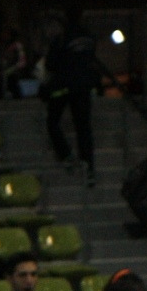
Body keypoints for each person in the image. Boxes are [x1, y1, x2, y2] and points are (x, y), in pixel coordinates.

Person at [42, 15, 98, 185]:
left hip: (63, 87)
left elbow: (50, 64)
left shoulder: (61, 39)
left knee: (52, 122)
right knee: (83, 127)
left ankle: (66, 155)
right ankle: (88, 167)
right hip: (83, 87)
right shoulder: (88, 38)